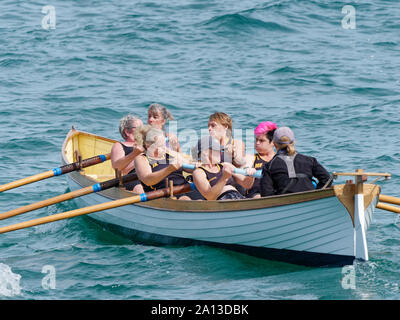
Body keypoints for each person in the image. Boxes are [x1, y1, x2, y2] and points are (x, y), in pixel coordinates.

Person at [260, 127, 332, 196]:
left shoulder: (269, 166)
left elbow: (266, 193)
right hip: (310, 197)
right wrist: (317, 193)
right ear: (294, 142)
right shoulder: (310, 160)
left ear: (274, 144)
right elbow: (327, 179)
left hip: (284, 202)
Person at [134, 125, 191, 200]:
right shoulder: (142, 158)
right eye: (160, 146)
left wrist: (199, 167)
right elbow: (148, 180)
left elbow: (189, 166)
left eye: (164, 144)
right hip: (163, 193)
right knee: (185, 198)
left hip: (185, 187)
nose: (164, 148)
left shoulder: (168, 152)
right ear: (148, 146)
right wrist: (169, 169)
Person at [192, 135, 252, 200]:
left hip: (237, 198)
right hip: (221, 202)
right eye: (216, 150)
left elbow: (246, 184)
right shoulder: (198, 172)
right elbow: (209, 197)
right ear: (205, 152)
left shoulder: (225, 165)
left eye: (220, 150)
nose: (220, 152)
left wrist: (251, 175)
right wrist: (224, 178)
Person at [110, 114, 144, 193]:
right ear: (127, 131)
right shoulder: (119, 145)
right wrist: (134, 154)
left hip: (150, 175)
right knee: (139, 187)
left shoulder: (148, 144)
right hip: (131, 179)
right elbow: (117, 167)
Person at [244, 121, 277, 198]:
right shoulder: (251, 157)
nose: (257, 143)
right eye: (256, 140)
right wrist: (248, 169)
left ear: (272, 142)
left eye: (261, 140)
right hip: (256, 194)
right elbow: (247, 164)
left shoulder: (280, 158)